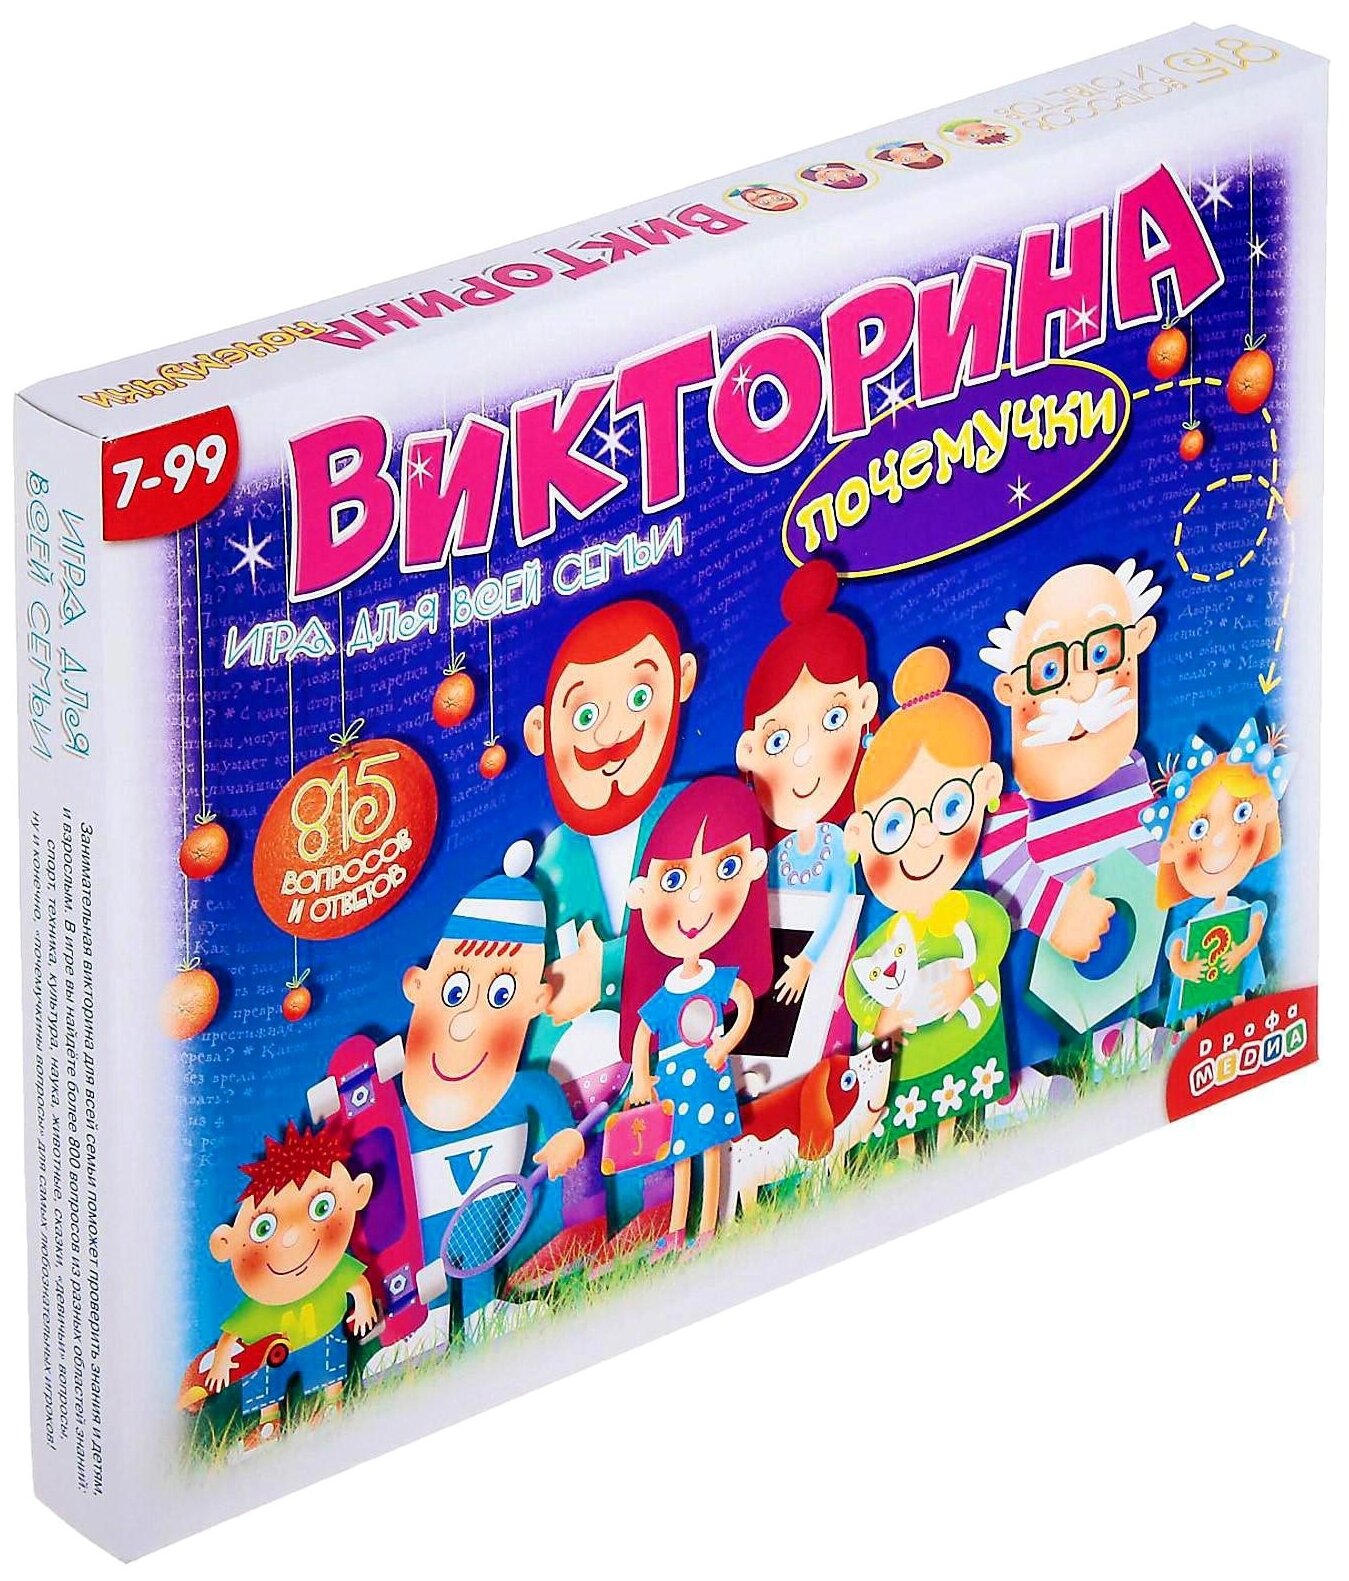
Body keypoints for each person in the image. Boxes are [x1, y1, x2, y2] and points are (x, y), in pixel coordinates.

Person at [513, 600, 698, 1283]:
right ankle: (582, 1224)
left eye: (639, 697)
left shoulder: (688, 816)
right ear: (542, 731)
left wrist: (610, 971)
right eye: (586, 714)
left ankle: (657, 1207)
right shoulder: (553, 863)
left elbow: (708, 925)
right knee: (577, 1098)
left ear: (681, 681)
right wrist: (542, 1001)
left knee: (653, 1095)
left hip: (675, 1028)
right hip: (587, 1053)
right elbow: (547, 981)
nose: (614, 731)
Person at [382, 841, 586, 1357]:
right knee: (428, 1251)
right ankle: (428, 1320)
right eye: (454, 993)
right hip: (425, 1202)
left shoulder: (517, 1088)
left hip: (492, 1193)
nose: (467, 1020)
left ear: (535, 1001)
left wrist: (565, 1138)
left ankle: (480, 1308)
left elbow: (546, 1099)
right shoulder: (403, 1108)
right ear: (418, 985)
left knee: (479, 1243)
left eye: (500, 997)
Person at [979, 558, 1165, 1121]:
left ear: (1138, 642)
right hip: (1043, 957)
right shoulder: (1015, 810)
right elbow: (1003, 866)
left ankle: (1116, 1037)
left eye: (1102, 653)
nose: (1082, 687)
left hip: (1120, 949)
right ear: (1012, 689)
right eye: (1050, 669)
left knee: (1131, 955)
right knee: (1012, 974)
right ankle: (1012, 1088)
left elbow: (1152, 847)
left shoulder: (1134, 773)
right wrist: (1057, 913)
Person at [844, 648, 1012, 1154]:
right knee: (906, 1120)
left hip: (968, 1041)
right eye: (894, 824)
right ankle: (905, 1156)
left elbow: (995, 927)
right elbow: (858, 983)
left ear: (986, 789)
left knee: (959, 1112)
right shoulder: (888, 937)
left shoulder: (970, 910)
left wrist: (972, 974)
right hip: (908, 1059)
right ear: (860, 837)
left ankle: (958, 1140)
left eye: (949, 807)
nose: (922, 838)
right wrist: (878, 1019)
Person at [624, 778, 773, 1256]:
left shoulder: (717, 979)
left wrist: (725, 1044)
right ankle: (675, 1231)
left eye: (725, 869)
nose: (694, 901)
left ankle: (707, 1227)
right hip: (673, 1082)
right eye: (674, 881)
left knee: (710, 1149)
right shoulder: (665, 990)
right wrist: (642, 1079)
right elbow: (643, 1033)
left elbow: (744, 1003)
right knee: (679, 1155)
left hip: (709, 1075)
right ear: (642, 893)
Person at [736, 562, 877, 1007]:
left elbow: (840, 898)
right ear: (749, 754)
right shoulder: (772, 854)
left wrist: (810, 959)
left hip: (828, 972)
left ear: (864, 709)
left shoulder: (837, 842)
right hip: (776, 985)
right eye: (778, 740)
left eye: (833, 719)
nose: (802, 756)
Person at [206, 1122, 376, 1449]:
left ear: (358, 1194)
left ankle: (333, 1403)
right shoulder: (261, 1301)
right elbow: (234, 1332)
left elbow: (355, 1282)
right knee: (263, 1373)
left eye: (321, 1208)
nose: (293, 1237)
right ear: (225, 1244)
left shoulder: (331, 1270)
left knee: (328, 1363)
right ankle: (269, 1424)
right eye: (264, 1228)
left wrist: (364, 1304)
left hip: (324, 1333)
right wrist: (222, 1359)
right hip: (274, 1352)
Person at [1142, 719, 1292, 1029]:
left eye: (1241, 813)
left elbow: (1255, 924)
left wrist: (1241, 951)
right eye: (1198, 830)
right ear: (1171, 850)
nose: (1222, 840)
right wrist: (1183, 967)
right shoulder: (1195, 921)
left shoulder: (1243, 908)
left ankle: (1242, 1018)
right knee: (1190, 1006)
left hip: (1233, 964)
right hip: (1202, 971)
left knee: (1239, 991)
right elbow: (1176, 947)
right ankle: (1191, 1033)